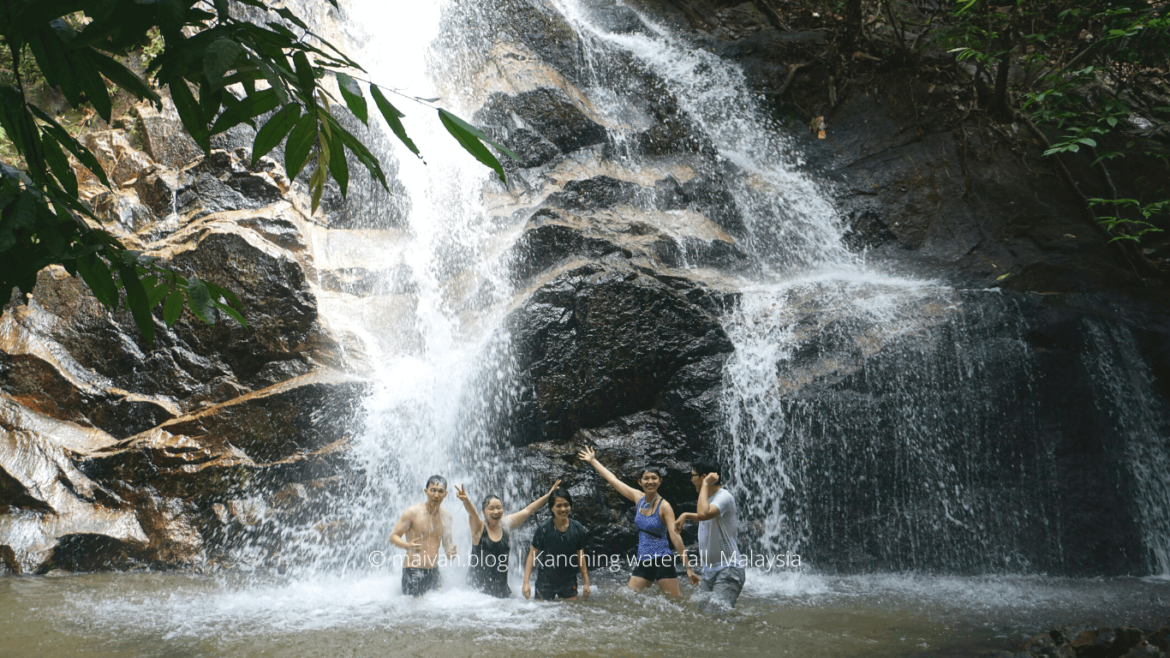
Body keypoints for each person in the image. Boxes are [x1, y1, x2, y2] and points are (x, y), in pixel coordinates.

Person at [577, 446, 690, 598]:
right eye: (646, 478)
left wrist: (688, 567)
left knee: (676, 603)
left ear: (660, 481)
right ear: (640, 482)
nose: (650, 481)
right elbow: (613, 480)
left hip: (662, 560)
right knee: (629, 598)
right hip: (644, 560)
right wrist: (593, 461)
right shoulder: (638, 498)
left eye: (654, 478)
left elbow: (675, 536)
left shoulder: (664, 506)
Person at [454, 479, 562, 598]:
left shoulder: (506, 525)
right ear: (484, 512)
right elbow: (473, 514)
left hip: (501, 592)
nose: (496, 511)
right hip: (476, 594)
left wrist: (547, 496)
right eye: (491, 508)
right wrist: (466, 501)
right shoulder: (479, 529)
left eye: (499, 507)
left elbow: (528, 510)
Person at [674, 461, 746, 610]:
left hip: (728, 569)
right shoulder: (711, 499)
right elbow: (704, 515)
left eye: (693, 476)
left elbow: (704, 513)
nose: (691, 479)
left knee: (717, 617)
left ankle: (750, 627)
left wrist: (705, 485)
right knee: (701, 615)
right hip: (710, 570)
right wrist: (686, 515)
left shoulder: (724, 496)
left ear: (704, 476)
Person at [389, 475, 457, 598]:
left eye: (440, 491)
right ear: (426, 491)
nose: (436, 495)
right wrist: (407, 545)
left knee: (437, 610)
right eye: (433, 490)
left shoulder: (447, 517)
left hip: (434, 571)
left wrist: (451, 552)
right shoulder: (412, 513)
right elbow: (393, 537)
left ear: (445, 494)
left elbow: (448, 545)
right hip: (413, 571)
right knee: (414, 613)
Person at [522, 488, 590, 601]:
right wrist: (525, 582)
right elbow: (531, 555)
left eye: (566, 505)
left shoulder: (577, 527)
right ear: (551, 508)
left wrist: (586, 581)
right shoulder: (543, 529)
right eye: (558, 506)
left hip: (568, 580)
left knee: (571, 614)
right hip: (545, 580)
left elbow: (580, 555)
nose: (563, 509)